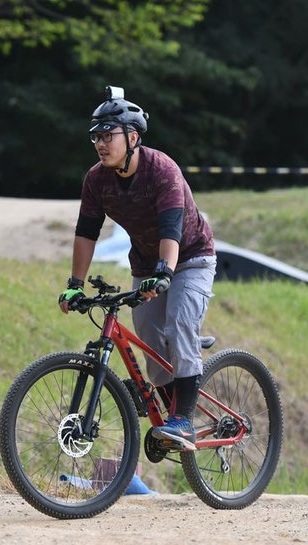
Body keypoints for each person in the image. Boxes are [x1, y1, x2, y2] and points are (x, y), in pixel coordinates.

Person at [58, 86, 216, 451]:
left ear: (132, 137)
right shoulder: (96, 179)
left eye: (108, 135)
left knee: (178, 320)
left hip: (190, 257)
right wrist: (74, 285)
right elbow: (86, 232)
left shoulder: (162, 171)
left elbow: (171, 229)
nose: (100, 143)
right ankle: (169, 418)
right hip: (146, 263)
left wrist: (165, 273)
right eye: (95, 136)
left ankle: (184, 420)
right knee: (149, 339)